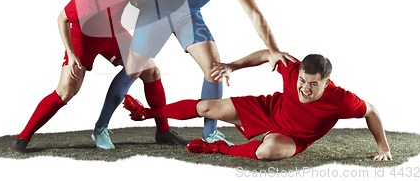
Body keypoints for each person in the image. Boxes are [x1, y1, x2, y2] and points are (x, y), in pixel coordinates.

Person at [125, 0, 296, 144]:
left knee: (215, 69)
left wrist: (273, 49)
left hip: (188, 15)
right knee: (133, 68)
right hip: (157, 6)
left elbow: (254, 12)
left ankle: (210, 134)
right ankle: (102, 126)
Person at [11, 0, 186, 154]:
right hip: (85, 39)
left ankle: (162, 130)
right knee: (66, 92)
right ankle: (24, 136)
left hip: (114, 33)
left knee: (151, 70)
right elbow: (62, 18)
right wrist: (70, 53)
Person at [123, 50, 392, 161]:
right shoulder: (292, 69)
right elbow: (266, 54)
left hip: (291, 136)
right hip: (266, 110)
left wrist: (383, 147)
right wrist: (232, 66)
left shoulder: (341, 100)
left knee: (267, 152)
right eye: (302, 81)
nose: (304, 89)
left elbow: (371, 111)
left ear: (326, 82)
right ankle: (147, 113)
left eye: (313, 85)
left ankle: (216, 147)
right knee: (206, 107)